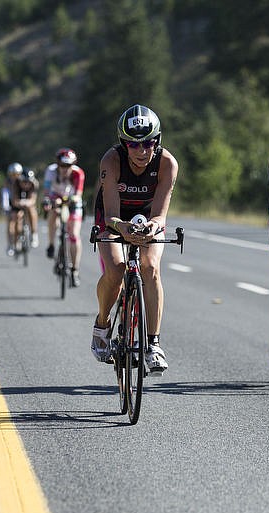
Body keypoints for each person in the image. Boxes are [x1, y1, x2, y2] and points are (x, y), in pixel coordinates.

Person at [91, 104, 178, 375]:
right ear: (123, 144)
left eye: (148, 144)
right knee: (116, 271)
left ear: (157, 141)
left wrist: (152, 227)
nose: (141, 152)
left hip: (148, 218)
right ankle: (103, 323)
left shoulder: (167, 163)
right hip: (114, 217)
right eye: (133, 145)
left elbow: (161, 216)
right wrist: (123, 228)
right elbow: (112, 216)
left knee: (150, 268)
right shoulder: (111, 161)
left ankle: (153, 344)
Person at [42, 148, 85, 286]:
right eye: (62, 166)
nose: (65, 169)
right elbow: (47, 190)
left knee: (74, 235)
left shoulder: (78, 173)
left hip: (72, 202)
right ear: (58, 164)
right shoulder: (51, 171)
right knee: (52, 215)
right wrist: (49, 200)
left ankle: (75, 270)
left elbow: (78, 194)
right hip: (55, 198)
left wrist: (67, 199)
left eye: (68, 166)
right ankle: (51, 244)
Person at [9, 167, 40, 252]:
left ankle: (34, 234)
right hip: (17, 202)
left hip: (28, 202)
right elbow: (14, 199)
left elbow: (33, 199)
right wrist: (19, 203)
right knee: (15, 217)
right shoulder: (15, 183)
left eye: (28, 182)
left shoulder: (34, 184)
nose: (26, 185)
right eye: (24, 182)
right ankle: (16, 239)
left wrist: (27, 203)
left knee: (32, 210)